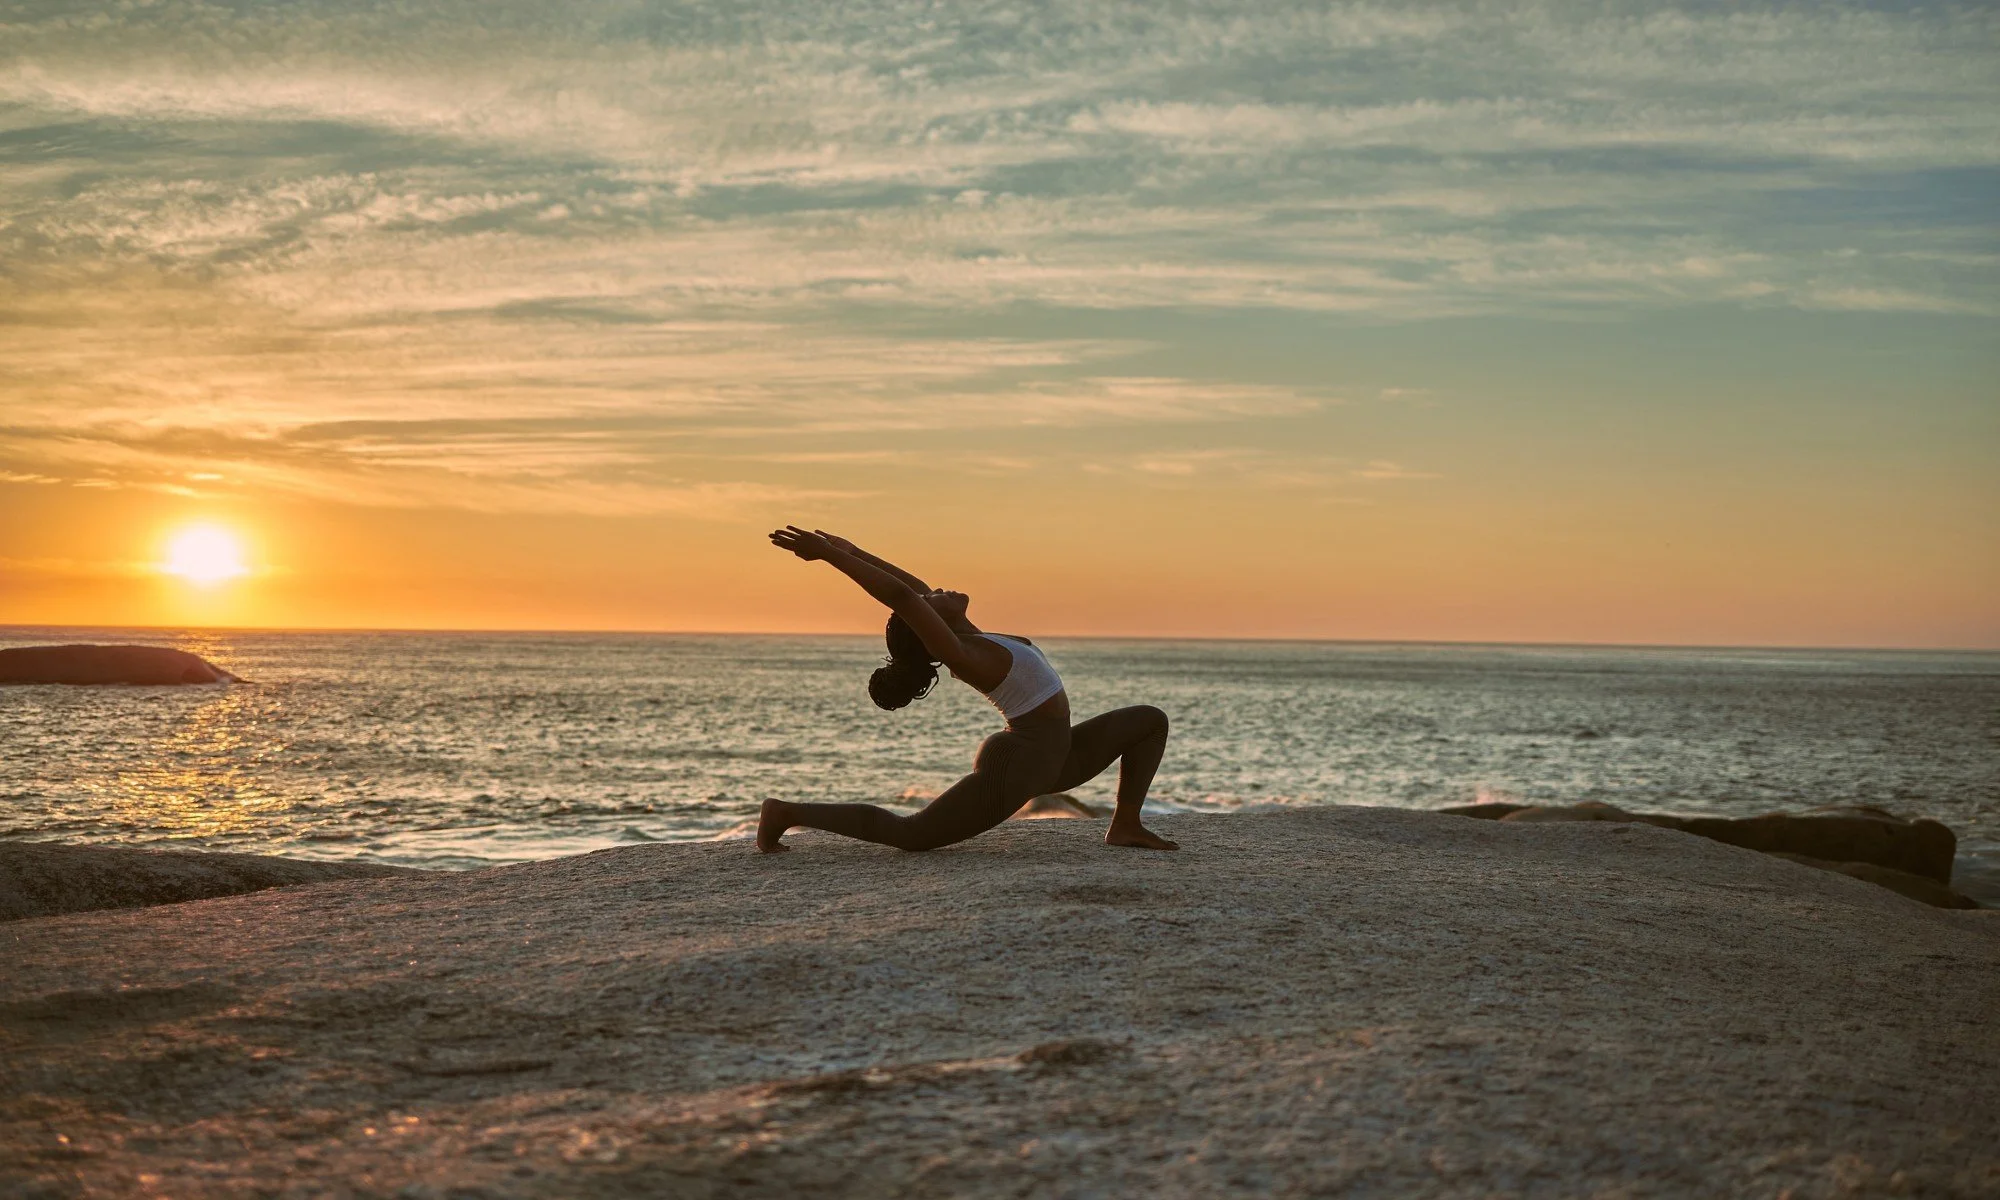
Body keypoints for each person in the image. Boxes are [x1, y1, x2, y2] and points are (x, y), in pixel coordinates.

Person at [757, 526, 1179, 854]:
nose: (936, 590)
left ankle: (1125, 825)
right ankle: (785, 812)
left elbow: (912, 589)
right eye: (931, 601)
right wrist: (830, 557)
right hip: (1022, 763)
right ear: (929, 629)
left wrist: (852, 551)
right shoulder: (964, 654)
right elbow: (902, 597)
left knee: (1148, 721)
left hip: (1062, 754)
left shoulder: (975, 635)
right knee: (914, 834)